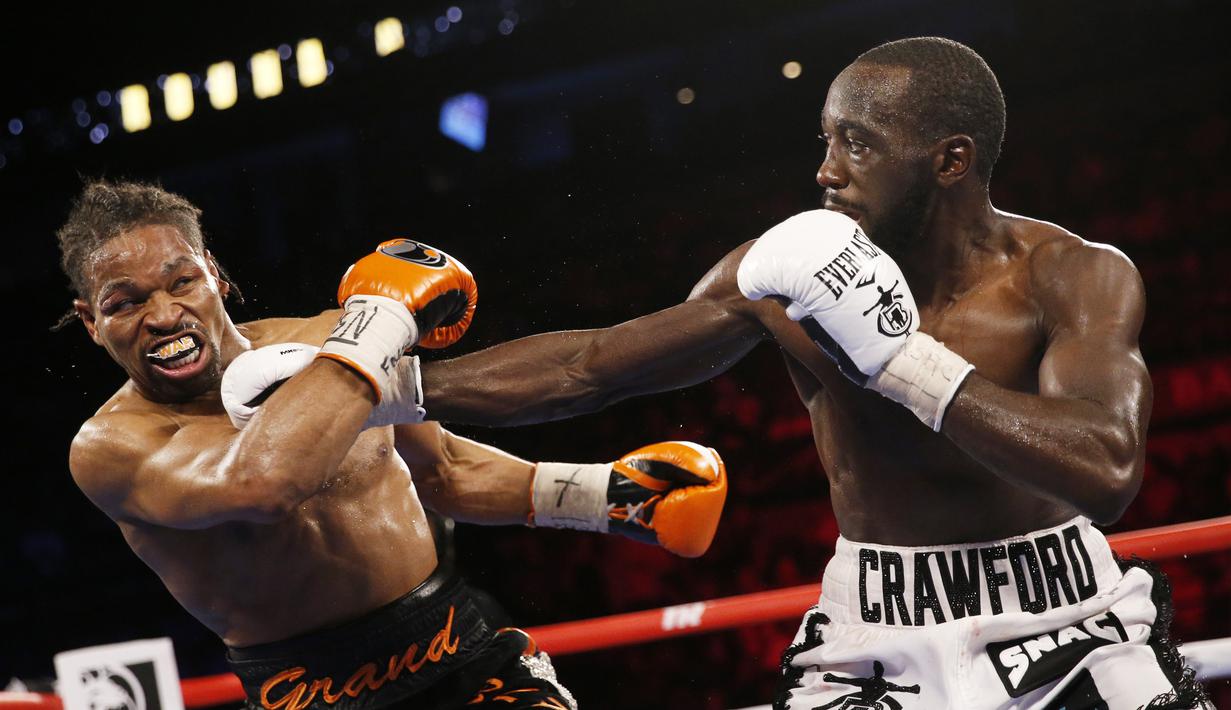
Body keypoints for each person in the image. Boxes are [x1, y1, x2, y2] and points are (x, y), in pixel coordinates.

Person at [416, 37, 1207, 708]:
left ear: (949, 160)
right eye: (825, 141)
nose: (827, 171)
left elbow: (1105, 470)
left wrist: (903, 363)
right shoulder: (780, 277)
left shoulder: (1067, 275)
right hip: (875, 623)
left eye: (857, 144)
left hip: (1058, 610)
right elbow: (587, 367)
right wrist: (383, 387)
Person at [55, 180, 729, 710]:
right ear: (90, 321)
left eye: (180, 281)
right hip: (309, 694)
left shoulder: (328, 340)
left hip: (459, 652)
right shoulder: (111, 448)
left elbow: (445, 473)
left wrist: (598, 495)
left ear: (213, 272)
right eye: (125, 302)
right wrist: (378, 322)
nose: (165, 315)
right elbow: (261, 483)